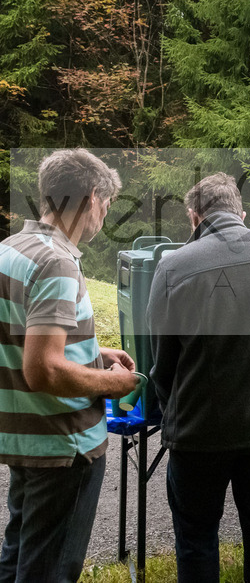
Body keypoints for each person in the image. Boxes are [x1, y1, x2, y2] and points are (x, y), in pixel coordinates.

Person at [148, 173, 250, 583]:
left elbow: (162, 363)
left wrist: (171, 412)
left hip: (201, 429)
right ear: (239, 211)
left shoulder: (173, 267)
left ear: (194, 216)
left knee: (197, 536)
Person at [0, 149, 139, 582]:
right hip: (65, 444)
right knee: (49, 571)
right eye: (109, 206)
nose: (105, 217)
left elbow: (20, 341)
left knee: (19, 557)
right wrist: (111, 383)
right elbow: (43, 370)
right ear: (94, 197)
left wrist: (97, 355)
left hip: (24, 439)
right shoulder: (57, 261)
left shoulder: (12, 247)